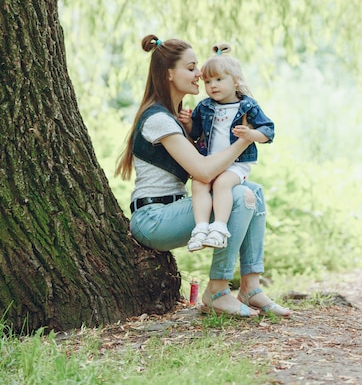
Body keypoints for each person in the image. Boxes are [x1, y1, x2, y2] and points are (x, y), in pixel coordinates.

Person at [115, 34, 291, 318]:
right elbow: (204, 170)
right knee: (238, 195)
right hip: (154, 219)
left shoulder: (181, 117)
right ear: (168, 74)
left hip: (173, 209)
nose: (200, 74)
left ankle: (251, 287)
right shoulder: (158, 119)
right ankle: (218, 291)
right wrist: (244, 141)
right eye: (191, 67)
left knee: (253, 191)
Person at [179, 43, 275, 254]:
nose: (213, 86)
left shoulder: (247, 106)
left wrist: (251, 135)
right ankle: (201, 228)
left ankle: (219, 228)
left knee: (222, 183)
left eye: (219, 80)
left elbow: (268, 131)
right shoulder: (205, 106)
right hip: (210, 162)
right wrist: (187, 123)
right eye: (208, 81)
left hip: (236, 165)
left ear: (236, 81)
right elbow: (195, 133)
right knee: (198, 183)